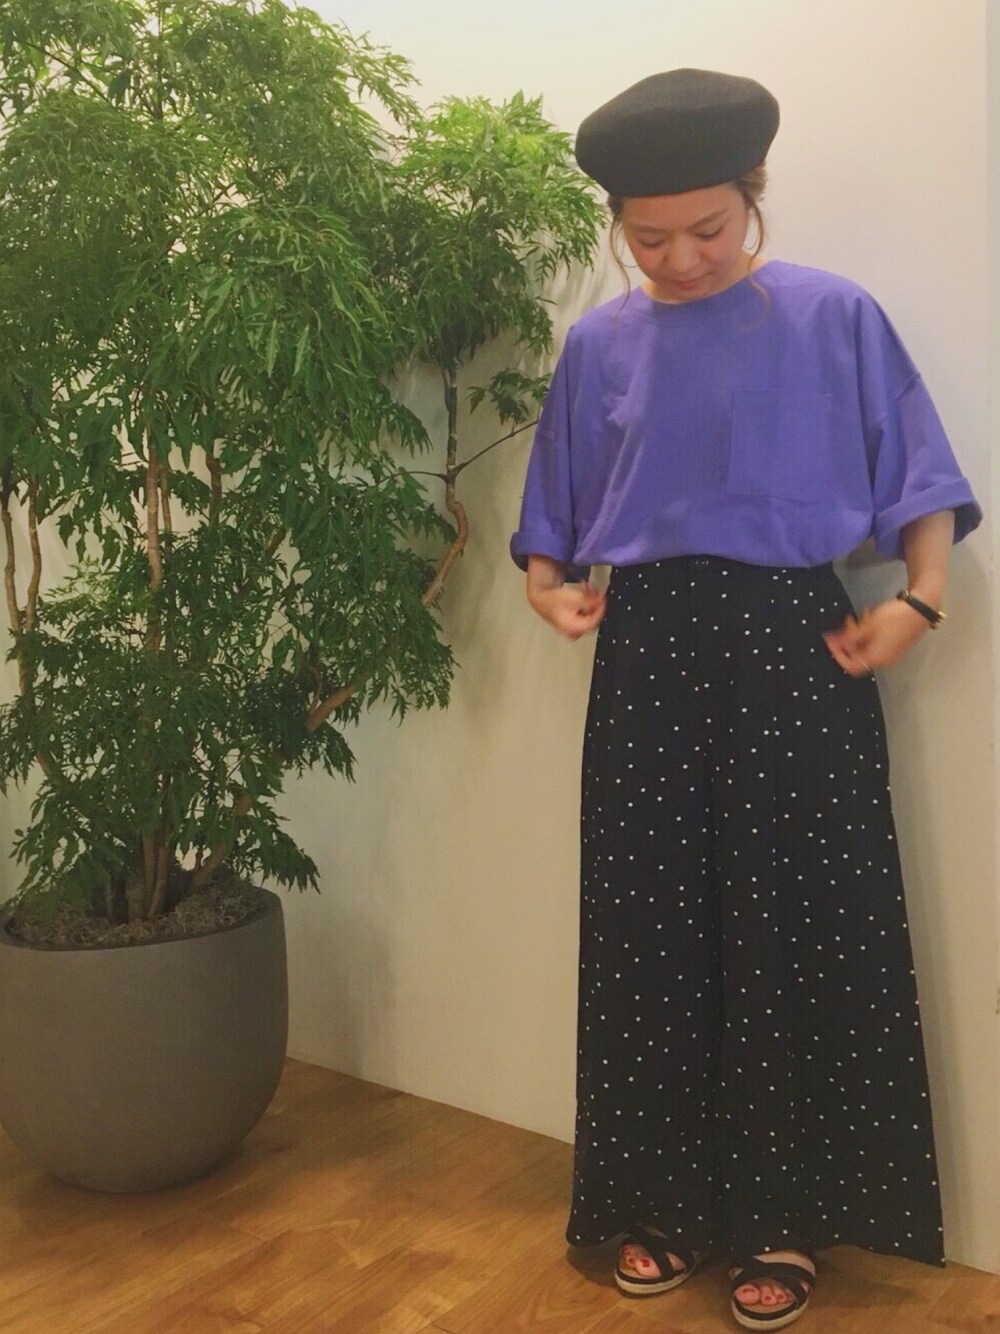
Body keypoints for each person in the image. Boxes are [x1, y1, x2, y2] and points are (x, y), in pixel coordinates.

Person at [509, 68, 981, 1331]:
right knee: (650, 927)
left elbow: (917, 474)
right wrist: (547, 587)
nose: (679, 258)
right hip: (648, 651)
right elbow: (554, 508)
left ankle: (783, 1214)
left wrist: (921, 596)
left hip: (793, 646)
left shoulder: (833, 315)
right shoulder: (598, 344)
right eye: (647, 237)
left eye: (707, 229)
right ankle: (664, 1200)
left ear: (751, 196)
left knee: (796, 922)